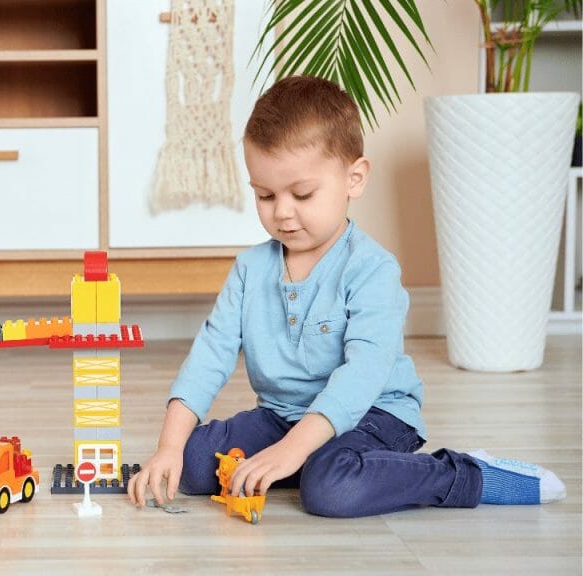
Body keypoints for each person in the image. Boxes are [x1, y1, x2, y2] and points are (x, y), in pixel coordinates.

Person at [127, 75, 566, 517]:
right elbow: (210, 355)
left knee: (330, 489)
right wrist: (169, 447)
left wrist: (295, 447)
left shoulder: (373, 269)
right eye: (264, 195)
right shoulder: (249, 270)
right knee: (195, 463)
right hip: (285, 415)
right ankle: (306, 460)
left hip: (374, 414)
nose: (282, 211)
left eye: (302, 194)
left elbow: (364, 373)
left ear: (354, 179)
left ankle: (463, 473)